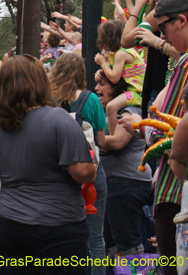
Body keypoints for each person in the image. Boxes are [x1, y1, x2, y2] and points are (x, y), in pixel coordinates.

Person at [0, 56, 96, 274]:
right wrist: (93, 168)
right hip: (60, 226)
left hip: (10, 226)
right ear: (40, 83)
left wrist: (4, 199)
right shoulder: (59, 119)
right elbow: (81, 171)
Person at [118, 0, 188, 274]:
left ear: (182, 20)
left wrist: (140, 126)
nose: (163, 36)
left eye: (163, 26)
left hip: (181, 191)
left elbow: (166, 129)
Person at [50, 53, 108, 274]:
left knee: (61, 237)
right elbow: (101, 141)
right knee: (95, 238)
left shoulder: (50, 100)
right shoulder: (91, 99)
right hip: (91, 174)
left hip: (60, 175)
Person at [94, 71, 153, 257]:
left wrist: (93, 138)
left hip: (127, 182)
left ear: (117, 88)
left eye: (102, 84)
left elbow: (118, 142)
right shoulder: (108, 113)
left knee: (128, 246)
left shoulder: (130, 112)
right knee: (113, 246)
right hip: (116, 183)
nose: (97, 88)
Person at [93, 19, 146, 134]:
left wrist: (102, 63)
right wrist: (101, 71)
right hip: (130, 91)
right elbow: (110, 72)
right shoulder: (116, 54)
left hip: (137, 93)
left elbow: (114, 78)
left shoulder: (121, 54)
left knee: (111, 107)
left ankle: (111, 135)